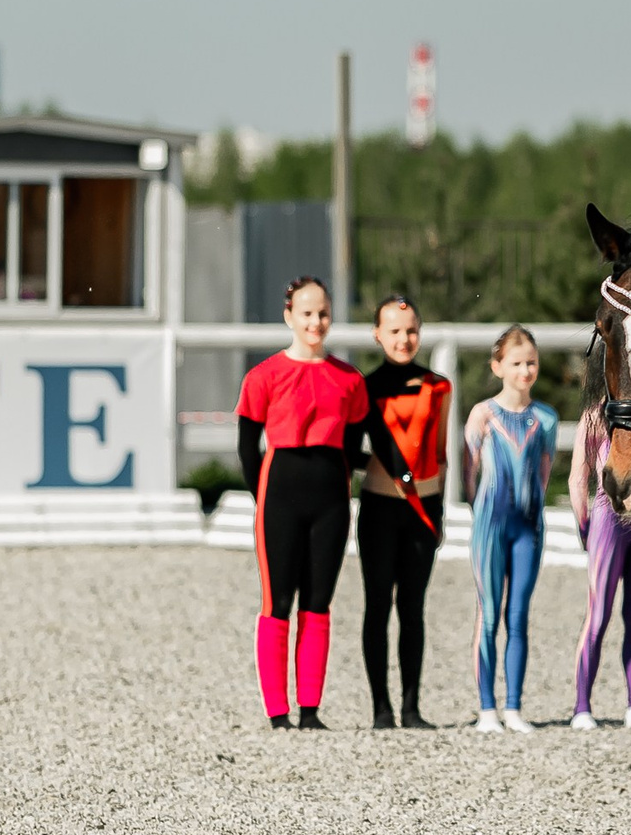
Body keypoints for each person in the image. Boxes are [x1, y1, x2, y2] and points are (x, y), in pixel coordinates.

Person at [235, 276, 368, 732]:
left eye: (323, 313)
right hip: (279, 496)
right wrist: (263, 498)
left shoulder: (349, 379)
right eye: (307, 313)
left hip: (331, 497)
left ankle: (310, 710)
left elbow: (352, 448)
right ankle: (277, 712)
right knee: (278, 601)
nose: (316, 321)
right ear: (289, 316)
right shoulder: (263, 376)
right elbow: (246, 446)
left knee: (318, 601)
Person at [360, 294, 451, 730]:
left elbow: (440, 453)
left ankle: (412, 707)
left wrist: (442, 512)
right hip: (378, 508)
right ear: (378, 334)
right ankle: (381, 709)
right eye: (394, 330)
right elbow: (350, 450)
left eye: (411, 330)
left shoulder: (438, 386)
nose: (404, 338)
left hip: (423, 510)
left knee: (412, 607)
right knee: (377, 606)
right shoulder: (365, 387)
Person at [465, 326, 558, 733]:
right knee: (488, 615)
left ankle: (514, 707)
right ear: (498, 366)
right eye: (517, 363)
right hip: (490, 525)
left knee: (518, 615)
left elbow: (543, 475)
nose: (525, 370)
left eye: (531, 363)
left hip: (528, 529)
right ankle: (487, 709)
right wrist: (477, 512)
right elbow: (470, 475)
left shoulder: (546, 419)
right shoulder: (482, 414)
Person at [567, 402, 631, 730]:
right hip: (617, 520)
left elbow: (579, 478)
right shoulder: (595, 417)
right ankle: (582, 706)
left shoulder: (609, 413)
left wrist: (584, 527)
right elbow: (579, 477)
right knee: (602, 616)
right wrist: (586, 527)